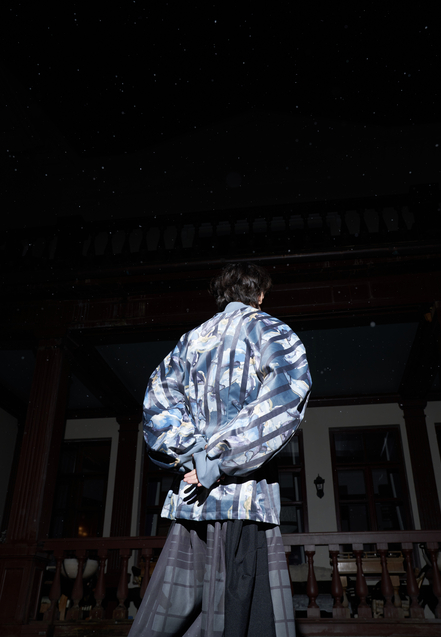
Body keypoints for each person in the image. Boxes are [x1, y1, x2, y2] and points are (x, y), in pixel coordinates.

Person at [129, 263, 311, 637]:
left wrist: (194, 455)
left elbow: (156, 405)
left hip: (193, 502)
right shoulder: (271, 330)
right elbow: (285, 399)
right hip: (244, 502)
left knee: (171, 619)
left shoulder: (190, 341)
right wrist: (217, 459)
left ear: (221, 296)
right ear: (260, 295)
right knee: (244, 621)